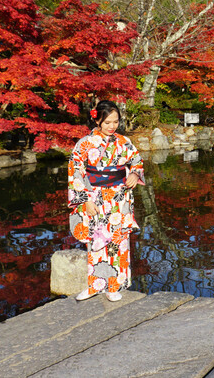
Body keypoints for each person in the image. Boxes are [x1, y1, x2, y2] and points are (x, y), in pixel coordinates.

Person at [68, 100, 144, 302]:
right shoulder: (84, 144)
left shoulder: (123, 142)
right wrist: (84, 200)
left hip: (120, 197)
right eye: (107, 122)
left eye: (115, 121)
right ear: (97, 120)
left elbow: (136, 160)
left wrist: (135, 175)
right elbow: (76, 171)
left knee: (118, 240)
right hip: (95, 197)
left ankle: (113, 286)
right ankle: (94, 285)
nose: (112, 126)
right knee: (96, 240)